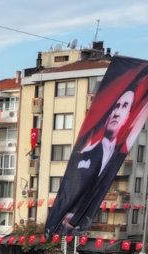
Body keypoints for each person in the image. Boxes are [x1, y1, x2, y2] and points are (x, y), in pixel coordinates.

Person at [48, 90, 135, 233]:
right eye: (116, 106)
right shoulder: (82, 156)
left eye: (124, 106)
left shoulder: (119, 156)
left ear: (128, 117)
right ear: (108, 116)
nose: (117, 113)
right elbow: (69, 193)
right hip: (71, 223)